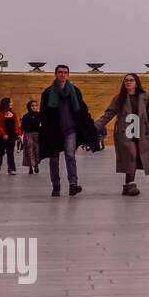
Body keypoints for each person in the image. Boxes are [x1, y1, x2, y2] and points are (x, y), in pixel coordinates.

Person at [93, 73, 149, 196]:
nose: (128, 82)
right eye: (126, 81)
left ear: (136, 82)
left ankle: (128, 186)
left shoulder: (144, 97)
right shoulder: (119, 98)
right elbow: (108, 114)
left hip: (140, 132)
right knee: (132, 155)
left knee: (133, 158)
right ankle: (130, 185)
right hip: (126, 133)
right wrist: (94, 127)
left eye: (131, 80)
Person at [38, 64, 98, 197]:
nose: (63, 75)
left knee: (70, 156)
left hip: (70, 129)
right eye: (60, 72)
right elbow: (43, 113)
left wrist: (89, 124)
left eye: (65, 72)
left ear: (68, 74)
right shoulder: (48, 93)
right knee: (54, 159)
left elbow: (82, 109)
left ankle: (73, 185)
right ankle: (56, 186)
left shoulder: (74, 91)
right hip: (54, 130)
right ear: (55, 74)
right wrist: (46, 129)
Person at [0, 96, 22, 175]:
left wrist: (19, 134)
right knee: (0, 153)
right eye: (10, 102)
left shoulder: (13, 114)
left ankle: (11, 168)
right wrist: (3, 134)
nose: (12, 103)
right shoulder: (0, 114)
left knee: (10, 153)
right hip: (1, 137)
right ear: (6, 103)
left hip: (12, 136)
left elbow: (17, 125)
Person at [20, 99, 42, 174]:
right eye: (32, 106)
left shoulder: (40, 115)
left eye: (35, 106)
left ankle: (36, 165)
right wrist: (20, 135)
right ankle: (30, 167)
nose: (34, 107)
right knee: (29, 150)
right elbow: (22, 127)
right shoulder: (26, 116)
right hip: (28, 134)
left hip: (38, 134)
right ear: (29, 107)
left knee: (37, 150)